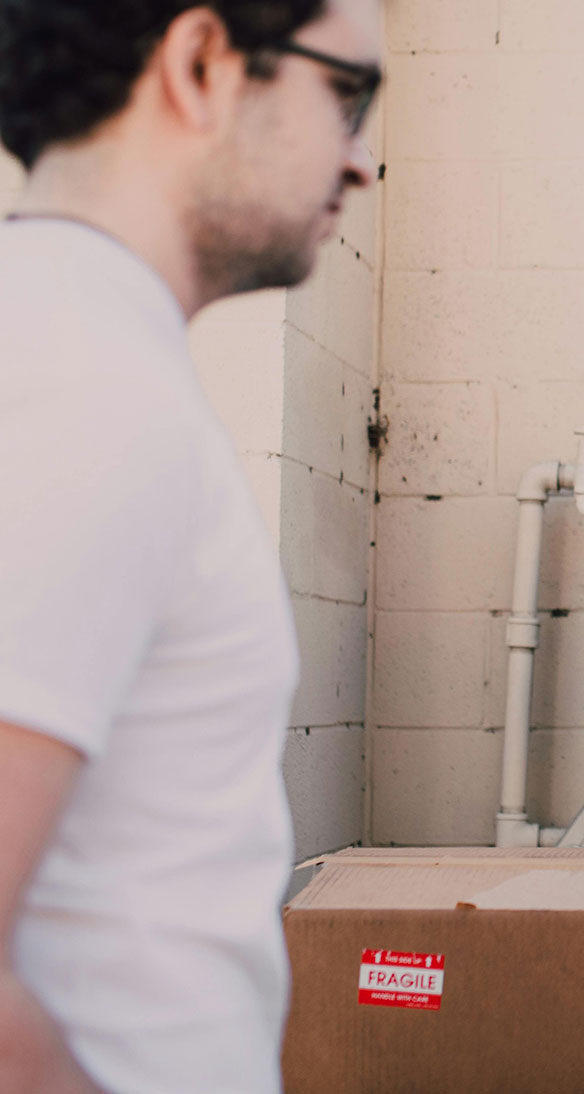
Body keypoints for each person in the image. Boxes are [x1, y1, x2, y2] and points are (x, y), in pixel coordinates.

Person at [0, 1, 378, 1090]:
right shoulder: (82, 388)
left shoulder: (70, 351)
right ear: (203, 62)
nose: (360, 162)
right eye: (346, 94)